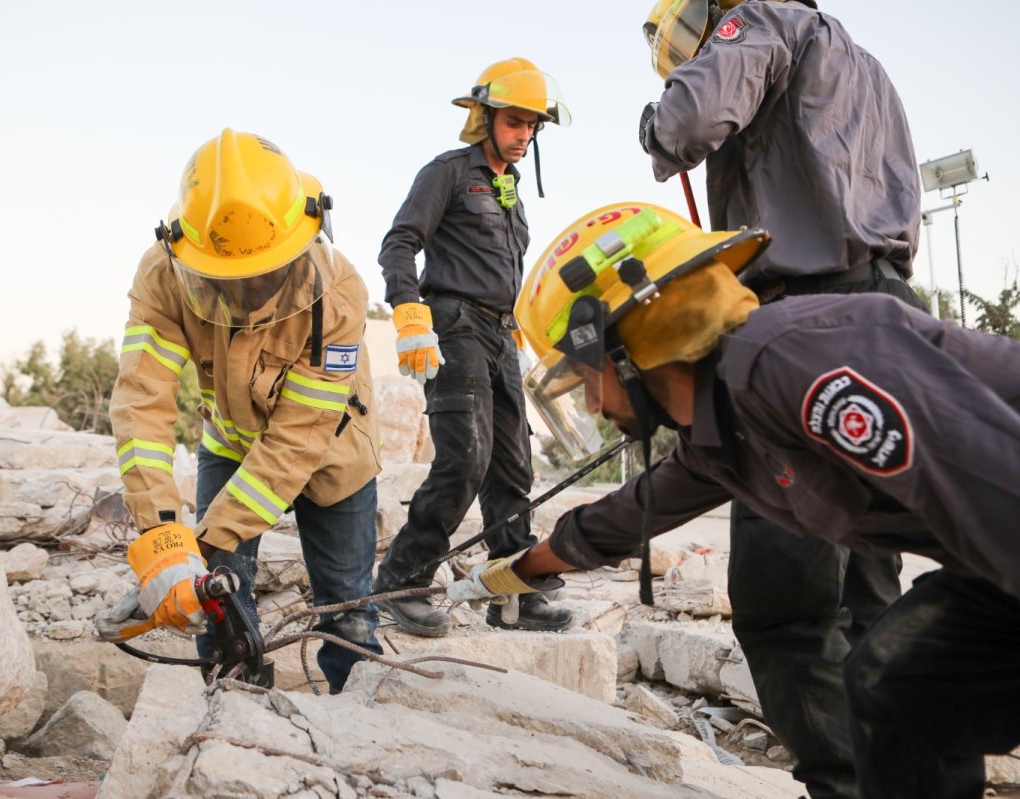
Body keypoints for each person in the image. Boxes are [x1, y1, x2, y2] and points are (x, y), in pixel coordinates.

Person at [448, 201, 1020, 799]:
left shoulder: (790, 363)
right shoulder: (720, 432)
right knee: (897, 680)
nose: (591, 403)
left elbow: (1002, 495)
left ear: (628, 347)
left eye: (586, 376)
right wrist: (508, 575)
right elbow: (623, 517)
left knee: (903, 677)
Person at [638, 2, 927, 794]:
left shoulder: (758, 17)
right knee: (871, 580)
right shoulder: (863, 65)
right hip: (887, 308)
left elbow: (690, 120)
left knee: (783, 604)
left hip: (807, 325)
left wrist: (654, 123)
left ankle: (844, 786)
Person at [96, 130, 383, 693]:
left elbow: (297, 442)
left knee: (346, 607)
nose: (249, 294)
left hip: (333, 456)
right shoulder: (163, 275)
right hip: (229, 445)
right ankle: (229, 706)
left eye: (266, 275)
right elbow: (141, 404)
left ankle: (361, 720)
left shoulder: (340, 294)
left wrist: (201, 547)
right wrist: (163, 544)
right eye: (226, 281)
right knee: (217, 605)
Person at [373, 58, 573, 635]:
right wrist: (409, 313)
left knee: (513, 465)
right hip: (453, 325)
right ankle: (403, 580)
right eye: (515, 121)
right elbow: (399, 244)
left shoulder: (510, 193)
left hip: (502, 333)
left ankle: (514, 595)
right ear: (484, 116)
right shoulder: (449, 173)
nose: (524, 134)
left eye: (533, 126)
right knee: (467, 456)